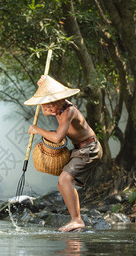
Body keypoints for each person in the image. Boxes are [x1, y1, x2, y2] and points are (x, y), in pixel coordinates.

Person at [25, 75, 103, 232]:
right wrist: (43, 86)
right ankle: (75, 217)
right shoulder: (56, 108)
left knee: (64, 180)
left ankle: (77, 220)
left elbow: (58, 137)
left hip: (89, 148)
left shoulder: (68, 111)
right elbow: (47, 111)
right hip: (79, 148)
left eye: (50, 107)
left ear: (59, 101)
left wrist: (37, 129)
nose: (48, 111)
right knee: (62, 183)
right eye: (45, 106)